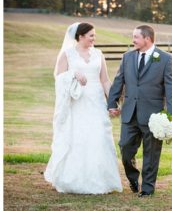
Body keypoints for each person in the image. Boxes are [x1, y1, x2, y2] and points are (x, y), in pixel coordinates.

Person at [44, 22, 123, 194]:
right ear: (80, 37)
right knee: (78, 137)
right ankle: (72, 180)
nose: (94, 39)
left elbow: (104, 80)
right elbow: (58, 78)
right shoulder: (67, 54)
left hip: (96, 102)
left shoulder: (98, 54)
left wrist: (112, 102)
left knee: (98, 136)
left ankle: (100, 180)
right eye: (91, 36)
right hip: (77, 103)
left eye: (94, 35)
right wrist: (73, 74)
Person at [108, 25, 172, 197]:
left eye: (136, 37)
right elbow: (119, 81)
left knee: (151, 154)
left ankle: (147, 189)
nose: (133, 40)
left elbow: (171, 87)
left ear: (147, 38)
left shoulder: (165, 59)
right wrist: (112, 102)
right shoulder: (127, 57)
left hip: (153, 115)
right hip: (129, 113)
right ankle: (133, 178)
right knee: (125, 149)